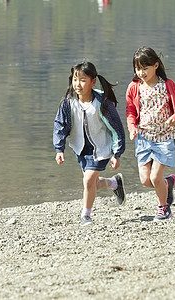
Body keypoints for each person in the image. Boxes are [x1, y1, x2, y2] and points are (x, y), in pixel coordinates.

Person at [53, 62, 126, 226]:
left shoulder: (102, 102)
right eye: (75, 79)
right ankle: (114, 183)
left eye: (83, 80)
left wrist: (117, 153)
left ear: (93, 81)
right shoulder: (68, 101)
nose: (77, 84)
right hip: (81, 148)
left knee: (87, 181)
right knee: (92, 182)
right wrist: (59, 148)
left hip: (101, 147)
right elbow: (60, 125)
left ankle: (85, 216)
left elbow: (117, 128)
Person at [126, 47, 175, 221]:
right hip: (144, 139)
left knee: (155, 176)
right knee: (146, 180)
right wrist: (132, 128)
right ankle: (167, 184)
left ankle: (163, 208)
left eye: (145, 68)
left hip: (164, 138)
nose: (141, 72)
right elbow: (130, 111)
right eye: (138, 69)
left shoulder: (167, 85)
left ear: (156, 65)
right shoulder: (134, 87)